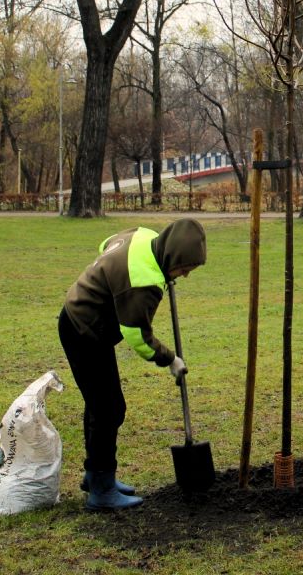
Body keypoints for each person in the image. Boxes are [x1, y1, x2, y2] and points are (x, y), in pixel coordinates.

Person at [57, 218, 206, 510]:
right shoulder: (145, 282)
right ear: (172, 257)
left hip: (80, 319)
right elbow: (138, 337)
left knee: (102, 405)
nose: (185, 275)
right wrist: (170, 359)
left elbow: (108, 244)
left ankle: (95, 474)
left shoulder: (144, 237)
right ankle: (101, 488)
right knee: (108, 408)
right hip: (84, 331)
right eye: (184, 268)